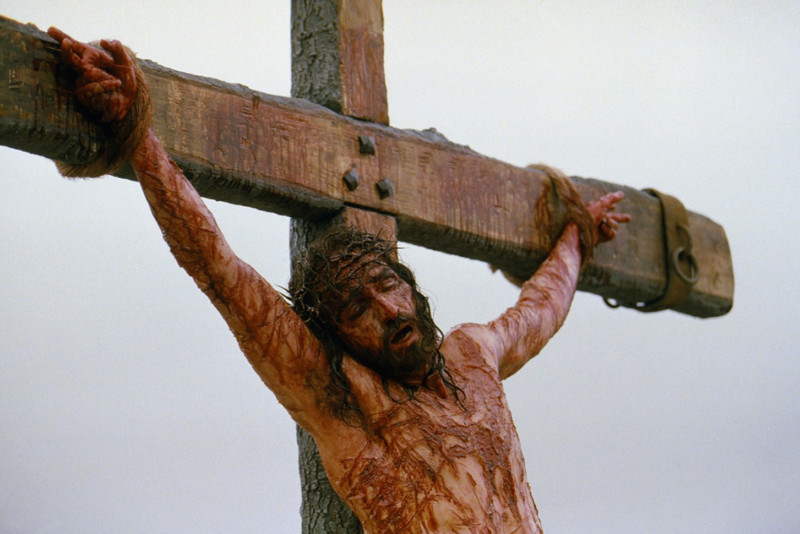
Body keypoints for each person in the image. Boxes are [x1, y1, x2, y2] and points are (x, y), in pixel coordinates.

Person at [46, 28, 630, 533]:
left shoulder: (474, 354)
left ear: (410, 286)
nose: (387, 310)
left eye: (385, 286)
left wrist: (578, 236)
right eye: (356, 310)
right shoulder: (343, 402)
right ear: (340, 337)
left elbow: (541, 309)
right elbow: (220, 271)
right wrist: (137, 132)